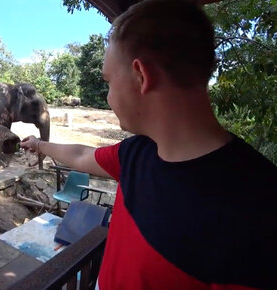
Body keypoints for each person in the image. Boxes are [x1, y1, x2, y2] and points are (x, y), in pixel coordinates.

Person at [20, 0, 277, 289]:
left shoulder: (258, 212)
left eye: (107, 81)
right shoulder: (137, 153)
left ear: (142, 76)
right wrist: (39, 146)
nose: (107, 97)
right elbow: (82, 154)